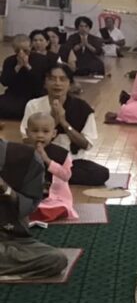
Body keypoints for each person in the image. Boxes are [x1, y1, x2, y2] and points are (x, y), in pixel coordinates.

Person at [20, 63, 109, 186]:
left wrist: (63, 122)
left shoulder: (82, 108)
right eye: (52, 79)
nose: (57, 83)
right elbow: (26, 140)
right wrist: (53, 120)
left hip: (71, 161)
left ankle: (51, 175)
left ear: (70, 84)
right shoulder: (33, 105)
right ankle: (56, 174)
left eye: (62, 79)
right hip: (42, 156)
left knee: (101, 173)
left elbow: (86, 144)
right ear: (45, 83)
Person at [0, 138, 68, 279]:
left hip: (12, 238)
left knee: (55, 259)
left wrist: (7, 191)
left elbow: (30, 206)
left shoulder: (25, 157)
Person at [23, 112, 77, 222]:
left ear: (54, 133)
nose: (40, 135)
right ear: (27, 132)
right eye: (35, 131)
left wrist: (47, 160)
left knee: (58, 208)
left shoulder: (62, 154)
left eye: (45, 131)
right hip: (29, 197)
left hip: (55, 199)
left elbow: (66, 176)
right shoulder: (22, 152)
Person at [0, 35, 46, 120]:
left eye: (25, 50)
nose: (21, 53)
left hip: (35, 94)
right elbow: (4, 82)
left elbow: (41, 82)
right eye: (18, 50)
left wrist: (27, 66)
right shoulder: (9, 61)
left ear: (30, 47)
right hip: (14, 94)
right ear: (14, 48)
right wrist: (17, 67)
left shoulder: (41, 60)